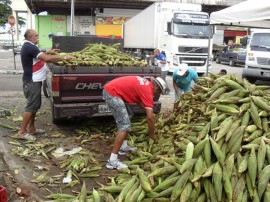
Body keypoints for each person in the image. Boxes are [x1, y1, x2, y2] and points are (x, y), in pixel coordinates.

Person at [17, 29, 75, 141]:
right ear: (29, 37)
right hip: (32, 81)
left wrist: (49, 51)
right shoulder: (30, 47)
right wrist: (64, 57)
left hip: (34, 81)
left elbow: (39, 54)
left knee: (34, 106)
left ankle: (32, 128)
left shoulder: (29, 46)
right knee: (31, 107)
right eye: (36, 36)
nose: (37, 37)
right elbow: (45, 58)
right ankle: (22, 132)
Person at [102, 76, 167, 170]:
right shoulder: (148, 90)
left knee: (128, 117)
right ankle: (112, 161)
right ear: (156, 88)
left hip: (112, 90)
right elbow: (149, 118)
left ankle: (123, 147)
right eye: (159, 92)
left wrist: (149, 114)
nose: (157, 95)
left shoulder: (146, 85)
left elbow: (140, 102)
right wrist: (152, 134)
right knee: (124, 126)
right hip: (112, 93)